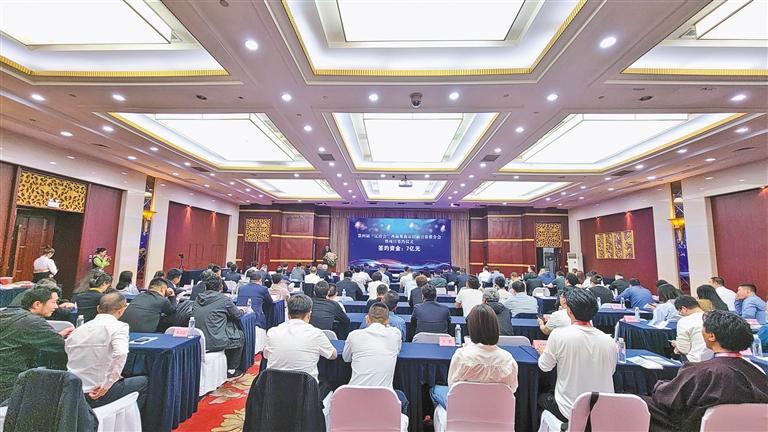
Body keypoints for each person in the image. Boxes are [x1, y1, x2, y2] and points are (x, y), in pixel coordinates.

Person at [643, 311, 768, 431]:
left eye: (703, 328)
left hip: (695, 426)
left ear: (711, 336)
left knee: (642, 404)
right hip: (745, 426)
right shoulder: (758, 370)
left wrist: (660, 385)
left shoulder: (703, 371)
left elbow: (666, 397)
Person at [537, 289, 616, 421]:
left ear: (569, 311)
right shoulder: (609, 341)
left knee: (540, 398)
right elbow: (611, 371)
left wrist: (544, 353)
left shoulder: (559, 335)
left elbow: (544, 366)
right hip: (602, 414)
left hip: (568, 410)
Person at [65, 292, 148, 410]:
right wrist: (107, 385)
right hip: (98, 392)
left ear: (98, 308)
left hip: (74, 391)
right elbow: (121, 353)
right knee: (144, 382)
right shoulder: (119, 327)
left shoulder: (79, 329)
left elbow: (68, 351)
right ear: (122, 310)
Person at [430, 304, 518, 409]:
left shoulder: (461, 355)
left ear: (471, 328)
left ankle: (444, 417)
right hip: (496, 411)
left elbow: (452, 386)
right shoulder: (508, 359)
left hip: (464, 410)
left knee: (435, 390)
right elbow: (512, 389)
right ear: (495, 327)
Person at [0, 286, 71, 404]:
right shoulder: (33, 322)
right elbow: (62, 347)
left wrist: (57, 335)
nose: (56, 307)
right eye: (53, 302)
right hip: (10, 383)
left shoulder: (7, 313)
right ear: (37, 304)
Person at [264, 294, 337, 396]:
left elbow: (266, 356)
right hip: (306, 393)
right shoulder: (316, 333)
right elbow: (333, 355)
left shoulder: (272, 332)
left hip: (274, 391)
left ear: (288, 315)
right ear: (309, 315)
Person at [342, 303, 408, 412]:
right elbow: (397, 350)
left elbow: (346, 358)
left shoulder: (354, 335)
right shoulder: (395, 334)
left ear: (367, 319)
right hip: (384, 399)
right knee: (402, 398)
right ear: (387, 321)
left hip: (354, 396)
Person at [192, 276, 245, 377]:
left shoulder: (198, 298)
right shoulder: (224, 299)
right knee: (240, 335)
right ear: (221, 287)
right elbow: (237, 315)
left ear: (205, 287)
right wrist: (243, 311)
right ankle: (231, 369)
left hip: (197, 340)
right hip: (214, 342)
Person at [672, 296, 711, 362]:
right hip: (716, 359)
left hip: (696, 361)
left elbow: (684, 350)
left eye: (680, 312)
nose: (680, 314)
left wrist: (676, 344)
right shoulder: (713, 317)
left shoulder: (684, 321)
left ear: (684, 308)